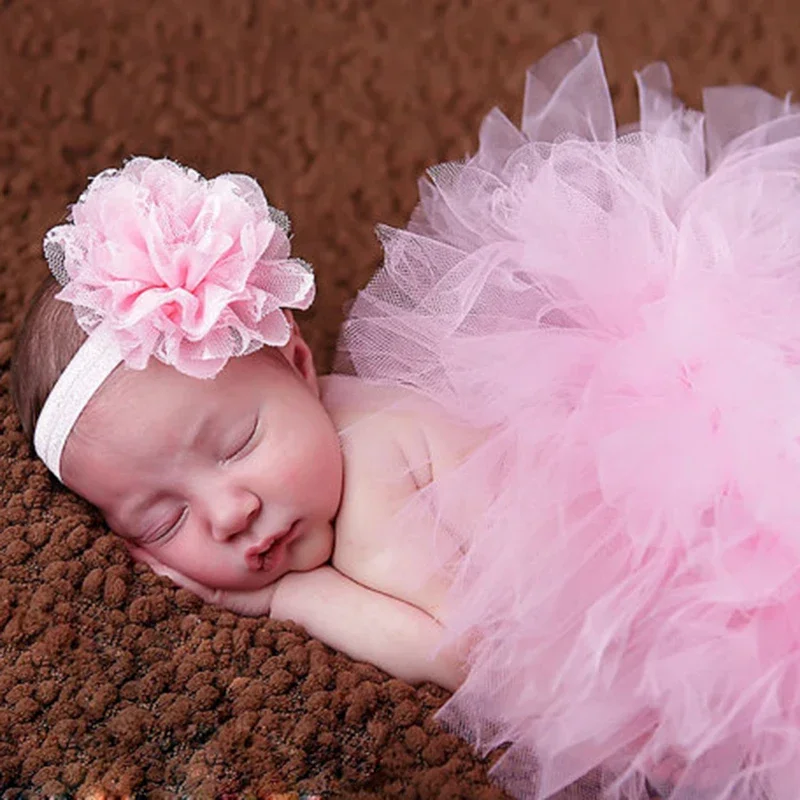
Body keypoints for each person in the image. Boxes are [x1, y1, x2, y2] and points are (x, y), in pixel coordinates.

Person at [10, 31, 800, 800]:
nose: (228, 511)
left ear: (297, 362)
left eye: (238, 442)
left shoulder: (372, 474)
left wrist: (295, 599)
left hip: (657, 622)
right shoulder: (343, 425)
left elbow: (471, 656)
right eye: (160, 521)